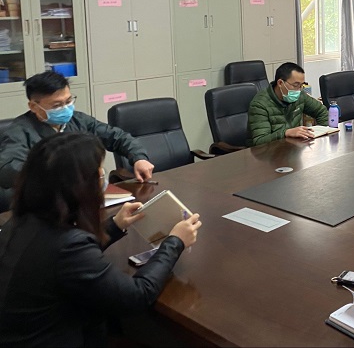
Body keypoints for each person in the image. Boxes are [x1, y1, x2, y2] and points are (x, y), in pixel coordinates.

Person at [0, 133, 202, 346]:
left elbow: (65, 262)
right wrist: (175, 242)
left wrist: (115, 225)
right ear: (79, 187)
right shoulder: (68, 247)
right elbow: (137, 296)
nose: (103, 180)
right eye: (99, 174)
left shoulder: (20, 221)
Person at [0, 71, 154, 212]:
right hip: (43, 207)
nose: (65, 108)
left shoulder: (78, 120)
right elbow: (8, 169)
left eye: (68, 101)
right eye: (57, 105)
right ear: (34, 106)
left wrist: (139, 157)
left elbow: (117, 137)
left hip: (81, 201)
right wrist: (57, 176)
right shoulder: (20, 131)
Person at [246, 62, 329, 147]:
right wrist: (285, 133)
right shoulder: (260, 104)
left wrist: (321, 134)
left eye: (301, 85)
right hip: (267, 152)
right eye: (296, 85)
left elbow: (321, 111)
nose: (299, 90)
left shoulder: (300, 95)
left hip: (293, 148)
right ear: (280, 83)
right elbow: (260, 141)